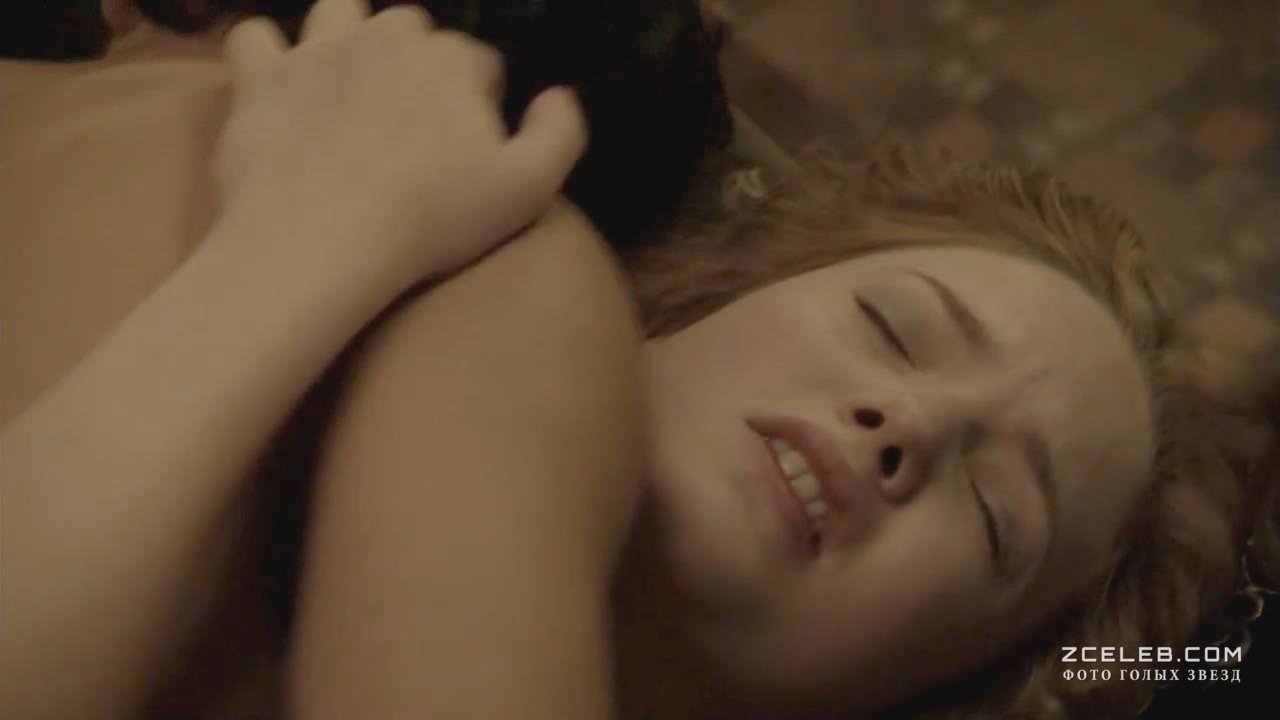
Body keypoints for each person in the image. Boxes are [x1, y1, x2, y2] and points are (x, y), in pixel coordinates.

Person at [3, 4, 1277, 720]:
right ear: (701, 293)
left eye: (995, 515)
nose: (906, 425)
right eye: (893, 326)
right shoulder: (510, 296)